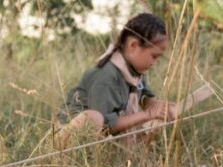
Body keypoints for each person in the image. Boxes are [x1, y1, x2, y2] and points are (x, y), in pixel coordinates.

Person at [56, 12, 208, 146]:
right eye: (154, 56)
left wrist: (158, 107)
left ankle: (131, 157)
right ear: (133, 45)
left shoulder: (134, 72)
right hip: (72, 139)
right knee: (94, 118)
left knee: (154, 122)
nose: (154, 62)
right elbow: (106, 126)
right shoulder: (106, 75)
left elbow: (145, 97)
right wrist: (148, 114)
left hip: (101, 137)